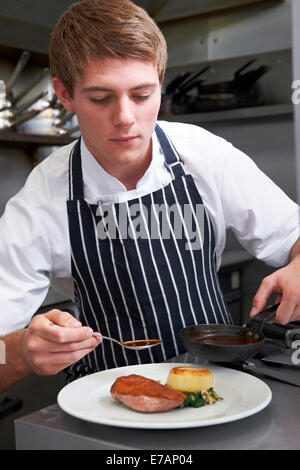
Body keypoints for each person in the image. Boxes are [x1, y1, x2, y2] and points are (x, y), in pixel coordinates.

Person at [0, 0, 299, 392]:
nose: (125, 118)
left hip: (220, 392)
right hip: (106, 406)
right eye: (101, 98)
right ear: (65, 95)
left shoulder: (205, 156)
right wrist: (21, 351)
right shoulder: (40, 200)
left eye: (141, 95)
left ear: (160, 82)